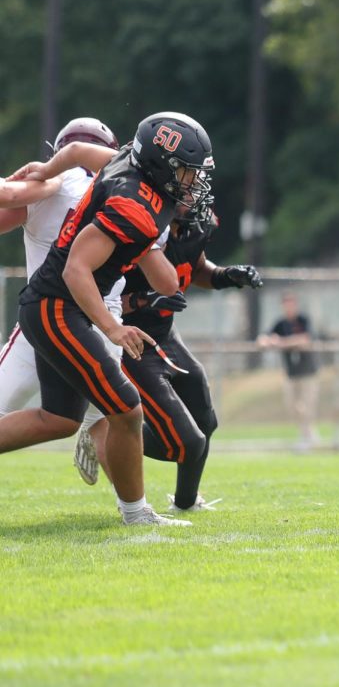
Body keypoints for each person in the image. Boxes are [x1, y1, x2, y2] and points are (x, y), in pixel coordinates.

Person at [0, 111, 215, 526]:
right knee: (127, 410)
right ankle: (137, 514)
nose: (194, 182)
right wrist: (114, 328)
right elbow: (75, 270)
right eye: (188, 172)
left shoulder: (124, 162)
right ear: (162, 166)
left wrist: (46, 166)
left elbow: (78, 150)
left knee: (60, 420)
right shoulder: (132, 205)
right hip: (58, 307)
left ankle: (135, 511)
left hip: (60, 305)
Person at [89, 197, 262, 510]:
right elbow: (102, 294)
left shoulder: (195, 225)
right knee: (188, 443)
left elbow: (195, 268)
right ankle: (105, 434)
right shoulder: (139, 227)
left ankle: (185, 502)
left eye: (196, 184)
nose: (193, 195)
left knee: (205, 423)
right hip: (131, 340)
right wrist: (143, 300)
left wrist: (225, 276)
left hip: (165, 335)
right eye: (186, 184)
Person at [1, 119, 124, 486]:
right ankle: (134, 508)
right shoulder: (125, 190)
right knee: (116, 419)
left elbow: (8, 202)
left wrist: (25, 185)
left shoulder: (54, 184)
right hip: (100, 321)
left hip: (43, 318)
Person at [258, 292, 320, 451]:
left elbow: (305, 339)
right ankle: (308, 434)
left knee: (307, 406)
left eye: (291, 303)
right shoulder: (281, 324)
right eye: (286, 304)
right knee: (292, 406)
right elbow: (265, 337)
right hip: (291, 373)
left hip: (308, 372)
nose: (289, 307)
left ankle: (307, 437)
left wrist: (281, 343)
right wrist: (266, 341)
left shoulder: (303, 320)